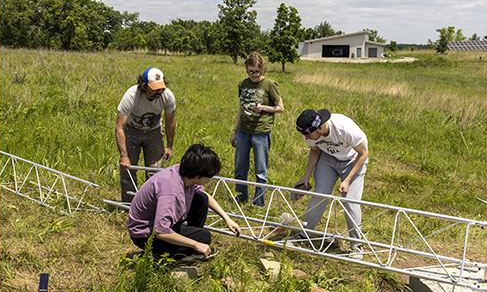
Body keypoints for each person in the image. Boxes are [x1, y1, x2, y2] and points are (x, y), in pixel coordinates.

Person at [128, 144, 241, 259]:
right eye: (208, 176)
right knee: (204, 237)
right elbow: (161, 232)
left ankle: (189, 245)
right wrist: (196, 244)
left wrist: (227, 218)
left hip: (158, 225)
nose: (208, 179)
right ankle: (153, 255)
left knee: (201, 199)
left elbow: (205, 196)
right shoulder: (171, 190)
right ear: (198, 174)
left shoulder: (183, 173)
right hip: (145, 234)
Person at [292, 109, 369, 259]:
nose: (306, 138)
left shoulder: (344, 128)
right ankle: (305, 234)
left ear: (319, 127)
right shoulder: (310, 133)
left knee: (349, 201)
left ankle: (356, 245)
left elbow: (363, 153)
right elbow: (314, 151)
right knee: (319, 195)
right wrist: (306, 176)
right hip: (328, 157)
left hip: (353, 159)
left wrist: (347, 180)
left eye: (308, 134)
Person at [230, 52, 284, 206]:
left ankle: (258, 203)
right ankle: (241, 198)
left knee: (260, 170)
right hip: (243, 131)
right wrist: (235, 131)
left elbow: (280, 108)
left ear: (262, 69)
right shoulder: (243, 84)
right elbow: (241, 108)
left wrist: (264, 108)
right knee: (240, 167)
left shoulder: (270, 85)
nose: (253, 75)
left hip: (261, 131)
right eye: (250, 71)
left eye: (256, 72)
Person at [116, 67, 176, 202]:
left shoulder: (167, 96)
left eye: (161, 87)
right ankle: (129, 204)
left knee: (155, 171)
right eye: (155, 88)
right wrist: (123, 155)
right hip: (132, 131)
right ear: (144, 86)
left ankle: (149, 205)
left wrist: (169, 146)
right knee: (128, 169)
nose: (159, 91)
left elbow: (170, 121)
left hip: (154, 132)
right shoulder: (131, 95)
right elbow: (119, 127)